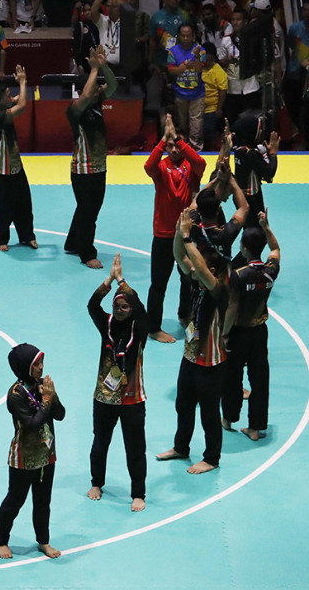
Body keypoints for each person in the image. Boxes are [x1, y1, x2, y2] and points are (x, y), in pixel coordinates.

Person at [156, 211, 231, 474]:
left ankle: (211, 458)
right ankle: (181, 447)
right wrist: (179, 231)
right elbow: (180, 256)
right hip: (190, 355)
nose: (194, 270)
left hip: (210, 361)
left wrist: (189, 237)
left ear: (210, 270)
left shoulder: (219, 289)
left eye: (201, 268)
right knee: (183, 404)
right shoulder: (196, 283)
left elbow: (197, 265)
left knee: (209, 412)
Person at [86, 254, 148, 512]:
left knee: (135, 447)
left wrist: (122, 280)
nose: (119, 310)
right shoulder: (106, 324)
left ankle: (138, 493)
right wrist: (108, 281)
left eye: (124, 307)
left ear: (131, 309)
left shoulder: (140, 327)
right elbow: (92, 305)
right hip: (105, 396)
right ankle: (97, 483)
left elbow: (143, 309)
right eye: (116, 306)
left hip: (132, 397)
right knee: (100, 441)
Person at [0, 343, 65, 560]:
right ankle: (1, 540)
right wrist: (45, 401)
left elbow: (60, 415)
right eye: (37, 364)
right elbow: (32, 424)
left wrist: (51, 397)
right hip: (23, 457)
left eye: (42, 362)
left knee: (43, 501)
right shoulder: (15, 394)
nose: (41, 367)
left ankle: (43, 541)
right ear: (25, 367)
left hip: (46, 453)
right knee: (15, 500)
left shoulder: (45, 385)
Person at [144, 114, 206, 343]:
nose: (173, 150)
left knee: (189, 278)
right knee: (158, 284)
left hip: (185, 234)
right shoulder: (160, 168)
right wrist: (163, 140)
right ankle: (153, 327)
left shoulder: (191, 167)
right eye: (169, 146)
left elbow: (202, 163)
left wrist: (178, 139)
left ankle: (184, 315)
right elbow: (147, 166)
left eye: (176, 145)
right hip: (162, 235)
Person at [221, 211, 279, 442]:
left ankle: (228, 418)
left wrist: (224, 334)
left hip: (239, 332)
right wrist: (266, 227)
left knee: (232, 376)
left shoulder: (238, 275)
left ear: (243, 248)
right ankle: (255, 428)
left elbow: (232, 308)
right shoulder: (270, 271)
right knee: (260, 377)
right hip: (259, 331)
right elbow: (275, 250)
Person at [65, 46, 118, 269]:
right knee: (89, 212)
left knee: (85, 208)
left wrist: (103, 66)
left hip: (98, 168)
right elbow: (86, 94)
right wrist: (94, 69)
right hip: (84, 170)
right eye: (96, 87)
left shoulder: (97, 104)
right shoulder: (75, 109)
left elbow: (114, 86)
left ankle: (73, 242)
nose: (99, 91)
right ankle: (87, 253)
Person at [0, 65, 37, 252]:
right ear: (0, 100)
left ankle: (26, 236)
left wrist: (23, 85)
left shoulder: (4, 106)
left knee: (24, 203)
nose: (12, 97)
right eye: (8, 94)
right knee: (2, 207)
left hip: (16, 167)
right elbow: (23, 105)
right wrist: (23, 82)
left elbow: (21, 99)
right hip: (2, 170)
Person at [231, 114, 279, 227]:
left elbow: (256, 169)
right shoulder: (251, 153)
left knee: (248, 228)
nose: (262, 132)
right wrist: (273, 152)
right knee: (258, 229)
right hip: (251, 198)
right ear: (251, 131)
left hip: (241, 196)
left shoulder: (239, 149)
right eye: (259, 129)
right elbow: (269, 171)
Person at [148, 0, 191, 107]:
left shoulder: (184, 15)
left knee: (181, 95)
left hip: (180, 62)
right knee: (163, 96)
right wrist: (151, 61)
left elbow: (191, 37)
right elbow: (152, 39)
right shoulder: (156, 17)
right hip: (161, 62)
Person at [218, 10, 262, 124]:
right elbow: (221, 62)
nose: (235, 22)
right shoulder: (226, 40)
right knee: (234, 118)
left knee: (252, 118)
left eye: (238, 20)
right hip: (233, 86)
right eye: (233, 20)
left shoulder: (253, 39)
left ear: (245, 21)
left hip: (250, 84)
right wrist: (228, 60)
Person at [168, 24, 207, 151]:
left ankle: (196, 152)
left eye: (188, 36)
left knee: (196, 126)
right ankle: (183, 150)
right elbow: (171, 70)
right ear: (179, 36)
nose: (185, 38)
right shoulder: (173, 51)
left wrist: (196, 57)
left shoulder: (200, 50)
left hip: (197, 94)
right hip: (180, 94)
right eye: (183, 36)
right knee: (183, 125)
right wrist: (184, 67)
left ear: (193, 36)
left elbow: (200, 68)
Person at [283, 2, 309, 138]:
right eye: (305, 10)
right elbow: (291, 45)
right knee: (293, 106)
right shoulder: (294, 28)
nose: (307, 13)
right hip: (295, 74)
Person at [201, 43, 228, 147]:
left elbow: (222, 90)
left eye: (209, 60)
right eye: (205, 60)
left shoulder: (218, 70)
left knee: (209, 136)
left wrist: (219, 108)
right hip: (197, 108)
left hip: (211, 110)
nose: (206, 62)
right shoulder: (198, 67)